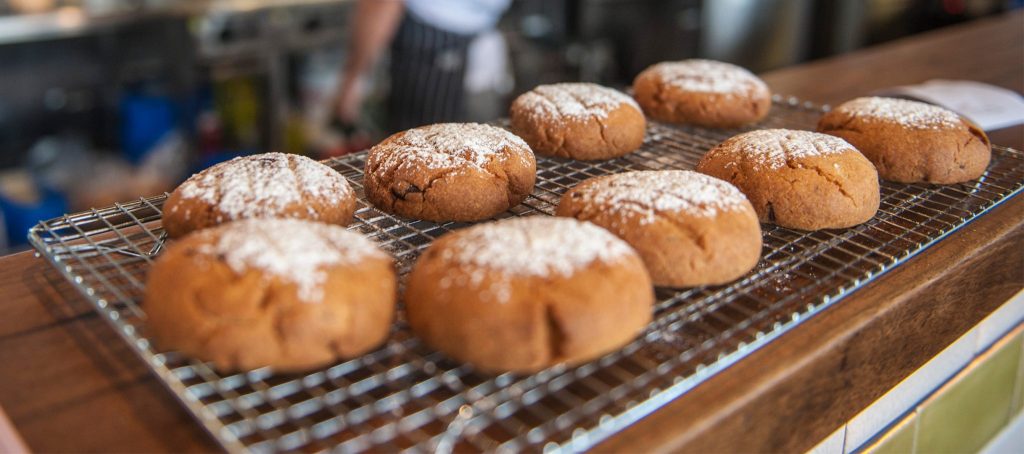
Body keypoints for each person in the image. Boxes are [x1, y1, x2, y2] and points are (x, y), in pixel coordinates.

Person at [334, 0, 512, 133]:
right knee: (421, 150)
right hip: (432, 37)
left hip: (474, 34)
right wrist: (355, 76)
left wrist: (353, 78)